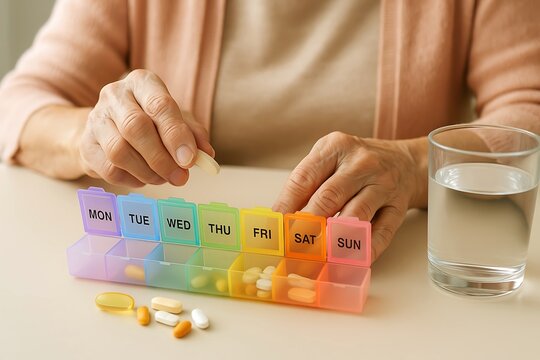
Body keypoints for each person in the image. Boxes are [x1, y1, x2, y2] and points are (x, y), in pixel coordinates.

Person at [0, 0, 539, 262]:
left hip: (390, 299)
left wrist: (411, 163)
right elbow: (20, 103)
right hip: (200, 280)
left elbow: (529, 117)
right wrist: (91, 135)